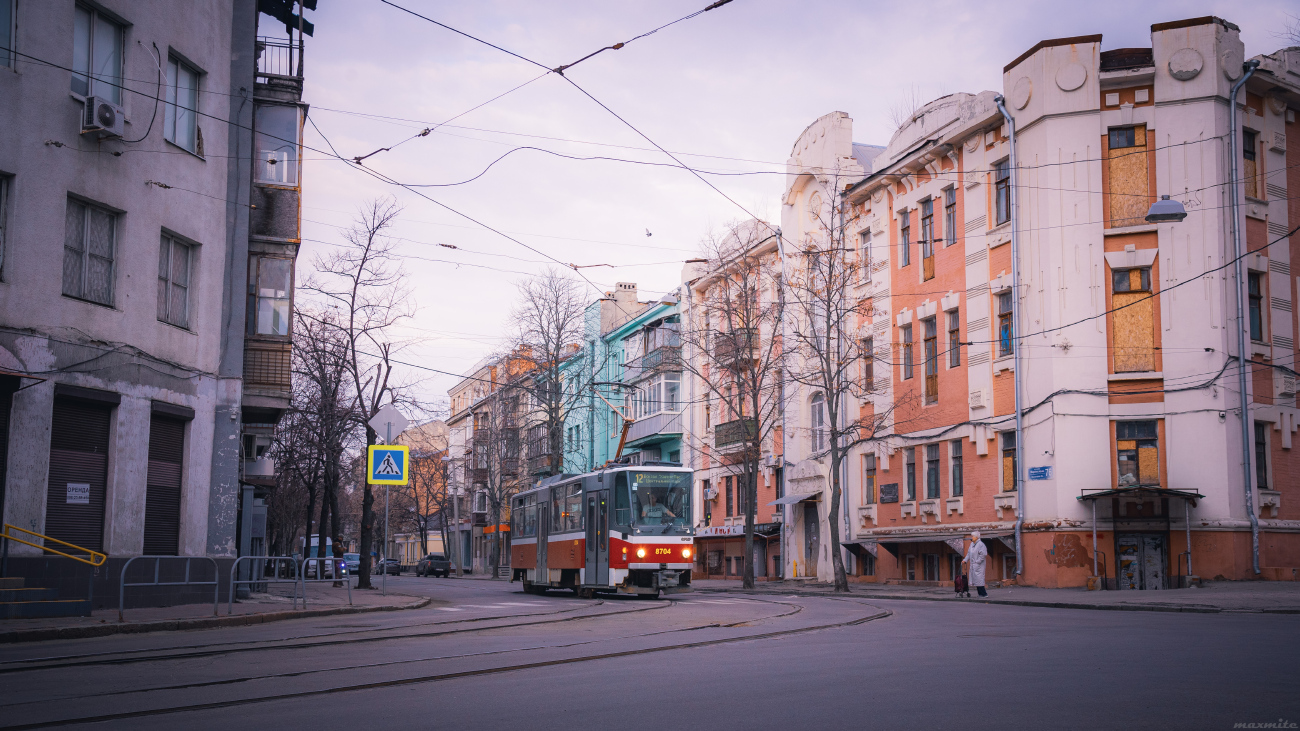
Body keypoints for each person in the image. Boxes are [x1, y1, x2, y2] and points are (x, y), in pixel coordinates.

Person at [962, 530, 988, 598]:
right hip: (974, 565)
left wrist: (977, 562)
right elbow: (968, 554)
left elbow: (983, 555)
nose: (972, 537)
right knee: (976, 580)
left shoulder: (981, 544)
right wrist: (965, 560)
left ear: (976, 537)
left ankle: (984, 594)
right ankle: (980, 594)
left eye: (973, 536)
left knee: (979, 579)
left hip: (979, 565)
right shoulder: (972, 544)